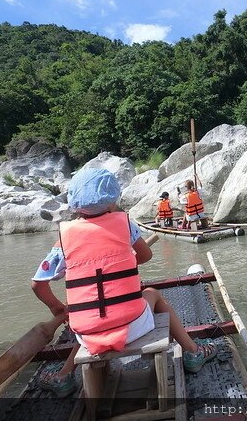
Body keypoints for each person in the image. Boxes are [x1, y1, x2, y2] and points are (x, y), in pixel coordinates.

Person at [31, 168, 217, 397]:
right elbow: (146, 255)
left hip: (87, 333)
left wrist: (57, 307)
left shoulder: (63, 239)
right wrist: (124, 262)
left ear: (75, 204)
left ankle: (64, 376)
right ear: (111, 201)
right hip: (133, 325)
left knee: (92, 321)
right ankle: (193, 351)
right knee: (153, 294)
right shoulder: (124, 225)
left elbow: (38, 285)